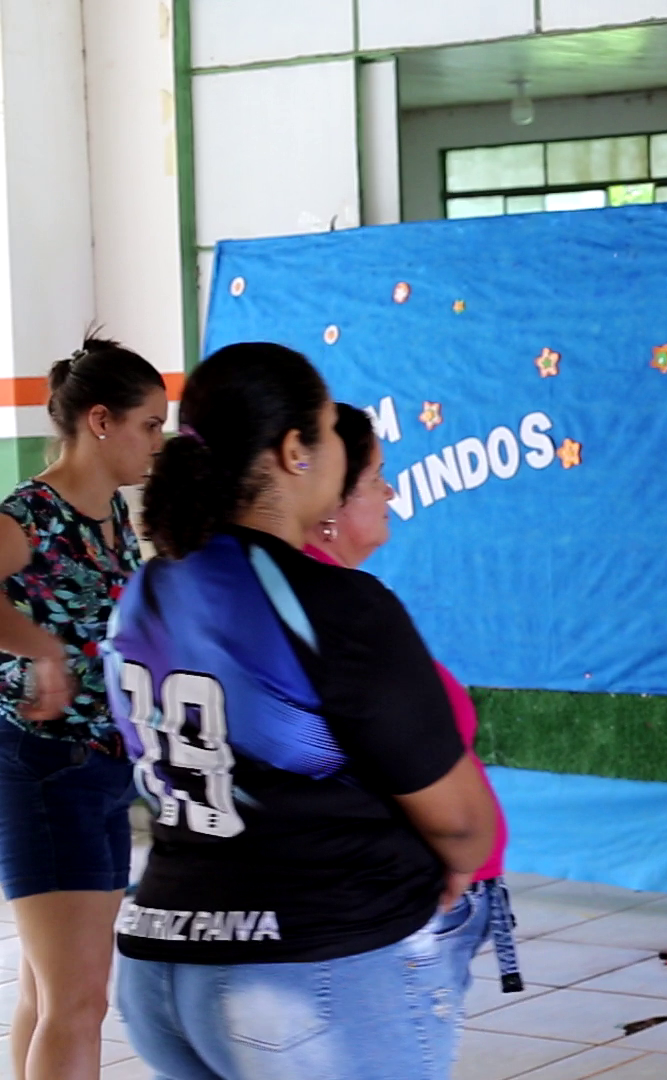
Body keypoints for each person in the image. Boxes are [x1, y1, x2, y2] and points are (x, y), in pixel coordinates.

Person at [105, 342, 499, 1080]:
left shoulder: (148, 591)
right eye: (329, 432)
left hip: (160, 971)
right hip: (306, 971)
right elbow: (460, 821)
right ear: (296, 451)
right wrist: (452, 870)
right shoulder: (335, 606)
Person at [304, 402, 520, 999]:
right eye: (376, 477)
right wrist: (456, 855)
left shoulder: (332, 594)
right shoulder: (333, 605)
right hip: (403, 901)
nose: (392, 491)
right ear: (331, 502)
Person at [0, 338, 166, 1080]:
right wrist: (39, 648)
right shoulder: (30, 514)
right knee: (78, 1003)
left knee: (49, 995)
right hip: (41, 770)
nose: (158, 442)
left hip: (100, 770)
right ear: (101, 420)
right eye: (150, 425)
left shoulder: (112, 516)